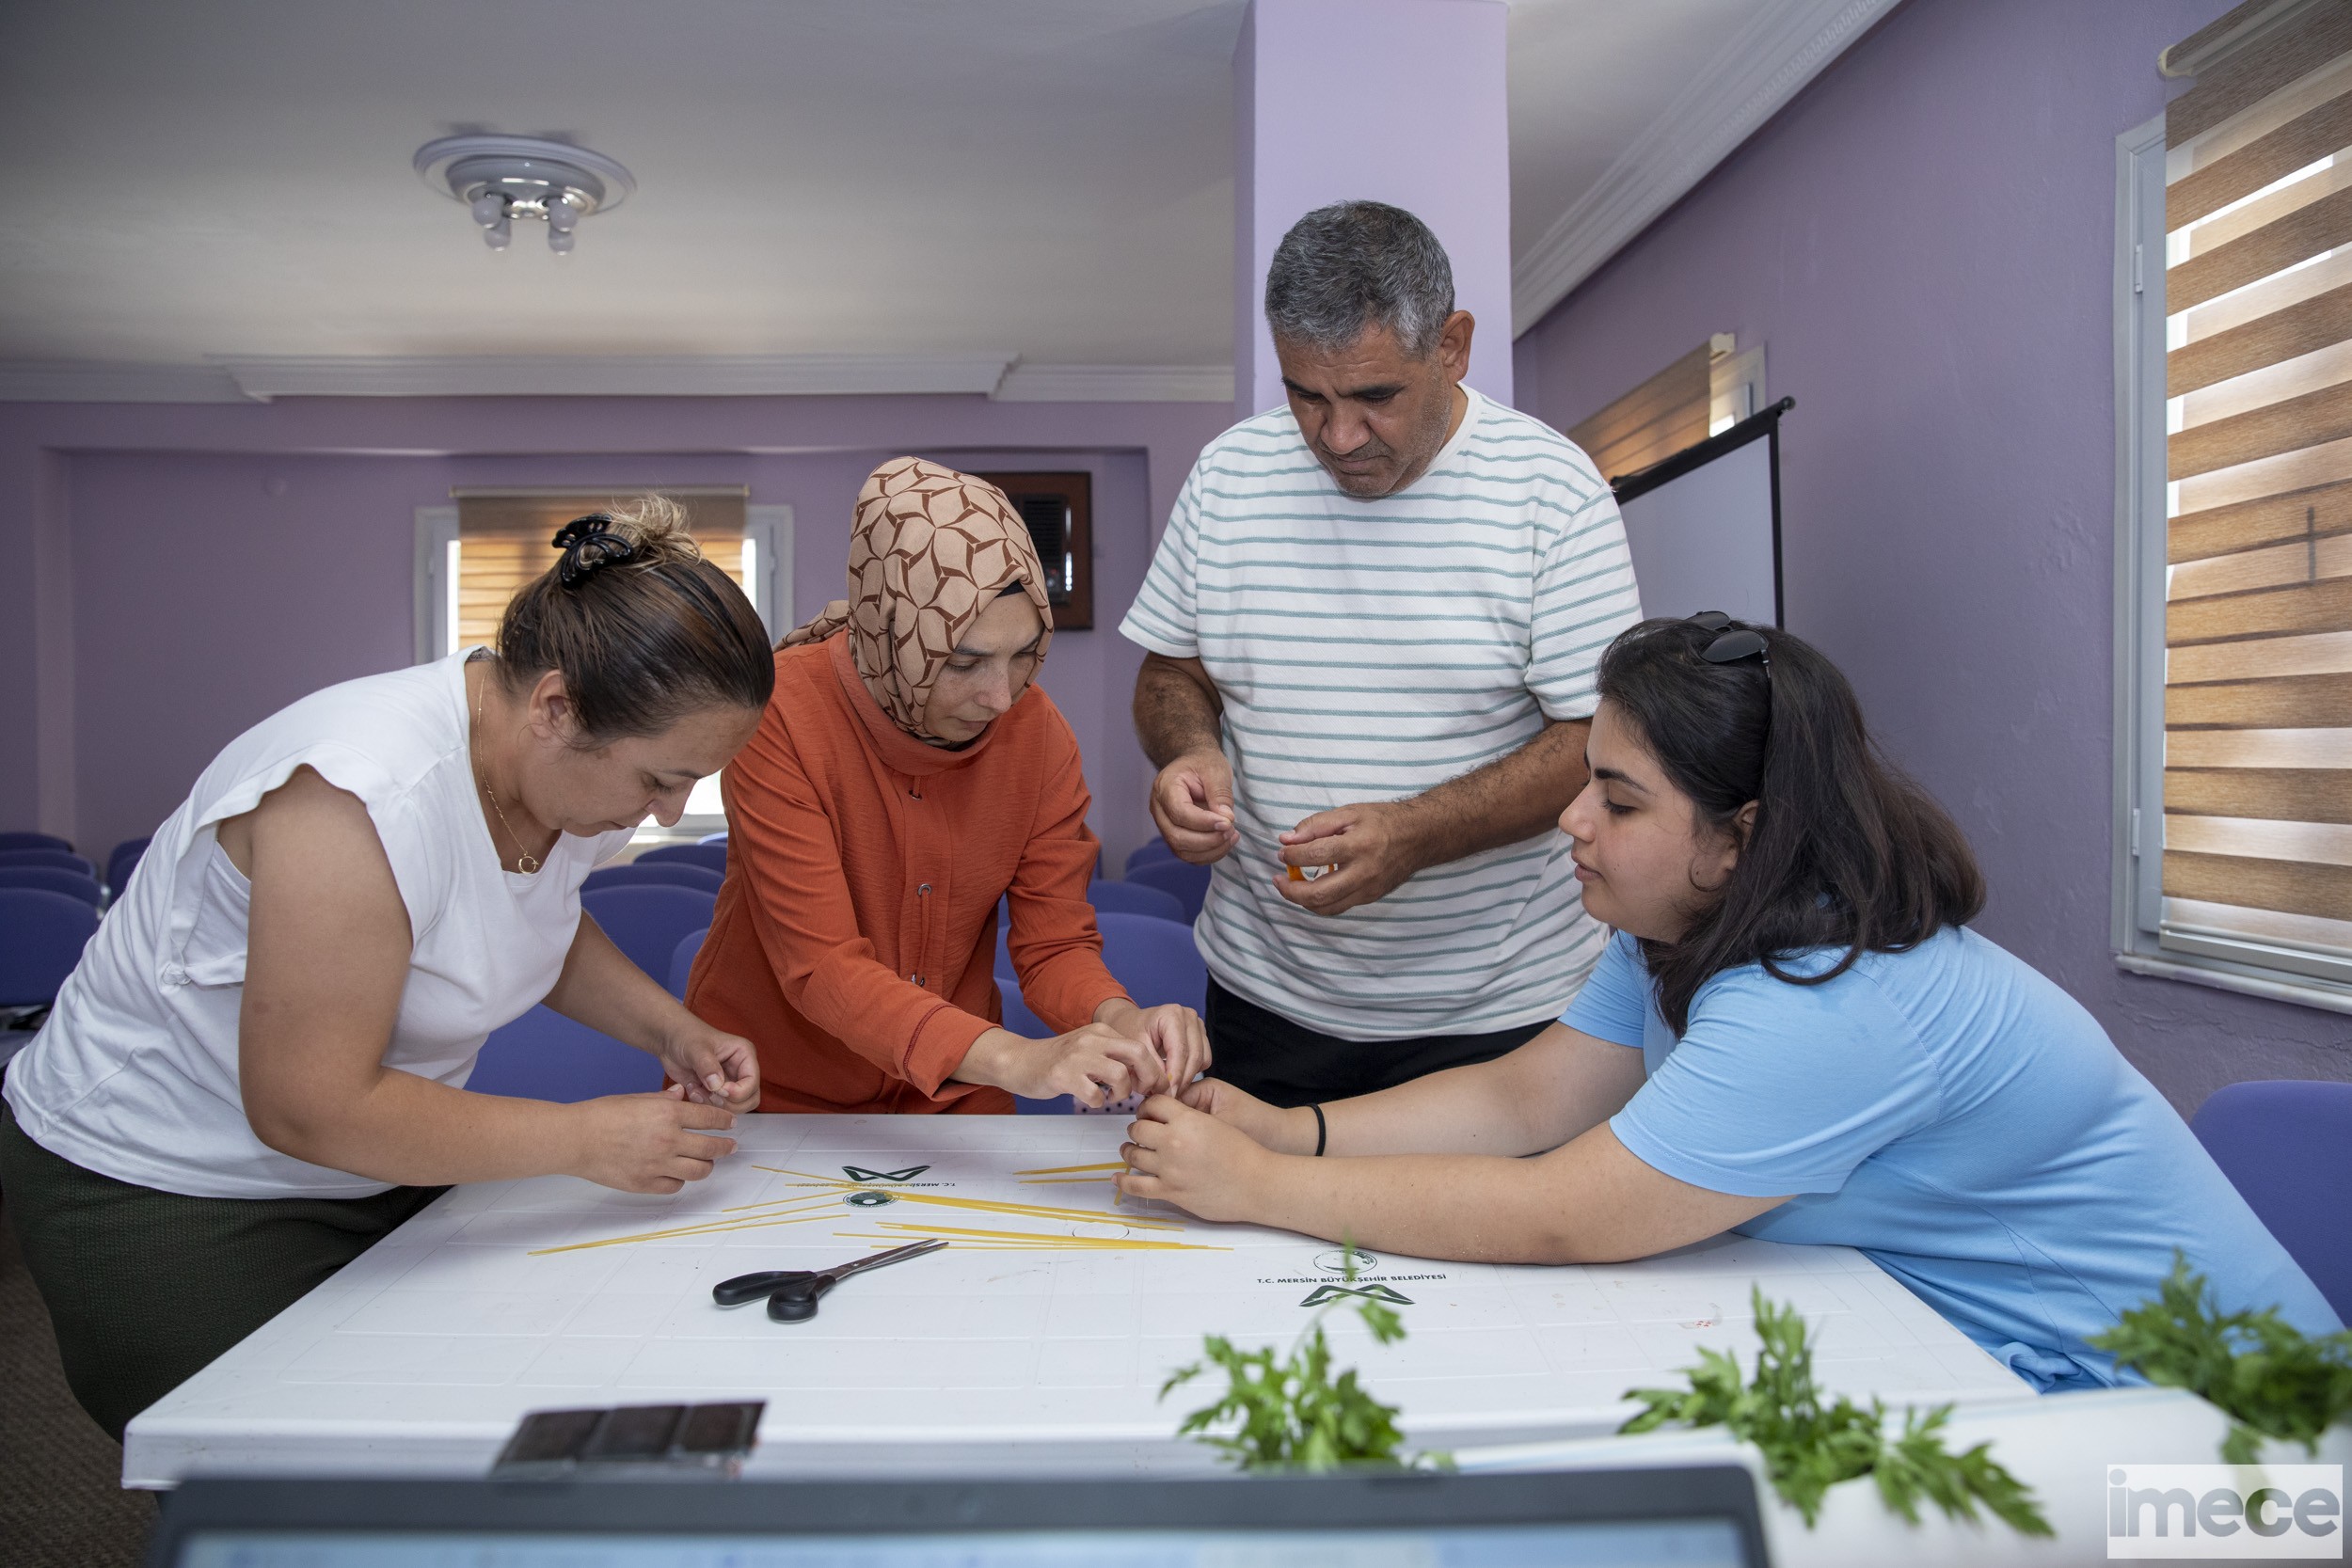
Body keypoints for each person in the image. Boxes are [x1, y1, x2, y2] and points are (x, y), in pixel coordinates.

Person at [1117, 615, 2344, 1389]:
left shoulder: (1829, 999)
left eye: (1618, 797)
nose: (1571, 818)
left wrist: (1263, 1189)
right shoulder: (1688, 921)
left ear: (1735, 837)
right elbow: (1528, 1093)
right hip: (1999, 1365)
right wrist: (1289, 1127)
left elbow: (1562, 1212)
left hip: (2214, 1443)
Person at [0, 499, 776, 1440]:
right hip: (169, 1175)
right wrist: (583, 1139)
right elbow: (307, 1103)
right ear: (556, 706)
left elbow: (531, 919)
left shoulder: (553, 769)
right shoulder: (357, 793)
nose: (666, 813)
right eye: (659, 779)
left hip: (366, 1157)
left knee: (469, 1402)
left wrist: (672, 1028)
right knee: (296, 1466)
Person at [1121, 199, 1641, 1108]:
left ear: (1452, 347)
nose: (1337, 437)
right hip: (1263, 1002)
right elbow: (1172, 672)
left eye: (1374, 397)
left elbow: (1595, 741)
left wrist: (1416, 834)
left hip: (1503, 1014)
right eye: (1305, 395)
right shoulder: (1229, 474)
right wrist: (1189, 753)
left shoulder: (1554, 491)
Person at [686, 456, 1208, 1115]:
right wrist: (1022, 1057)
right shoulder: (780, 714)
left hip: (951, 1092)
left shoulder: (1039, 734)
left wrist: (1117, 1016)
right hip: (775, 1091)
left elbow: (1054, 944)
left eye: (1023, 655)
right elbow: (824, 969)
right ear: (894, 638)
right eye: (965, 662)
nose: (999, 696)